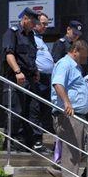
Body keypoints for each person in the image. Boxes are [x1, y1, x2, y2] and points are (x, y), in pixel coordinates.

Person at [50, 39, 88, 177]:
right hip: (69, 115)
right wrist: (67, 102)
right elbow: (58, 84)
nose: (85, 59)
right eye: (84, 56)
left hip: (79, 116)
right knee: (72, 152)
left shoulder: (76, 67)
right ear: (75, 51)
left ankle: (60, 170)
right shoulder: (65, 64)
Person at [1, 7, 39, 149]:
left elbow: (30, 57)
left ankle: (26, 142)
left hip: (30, 78)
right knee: (15, 111)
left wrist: (36, 71)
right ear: (25, 19)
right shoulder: (12, 33)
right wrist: (17, 71)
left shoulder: (31, 36)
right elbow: (9, 54)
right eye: (33, 22)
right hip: (16, 78)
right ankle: (10, 142)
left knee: (31, 111)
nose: (34, 25)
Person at [29, 13, 53, 153]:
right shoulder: (30, 37)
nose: (45, 26)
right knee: (36, 108)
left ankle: (39, 139)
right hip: (37, 78)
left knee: (44, 109)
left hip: (47, 79)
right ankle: (36, 141)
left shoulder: (40, 39)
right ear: (36, 23)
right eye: (43, 23)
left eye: (47, 24)